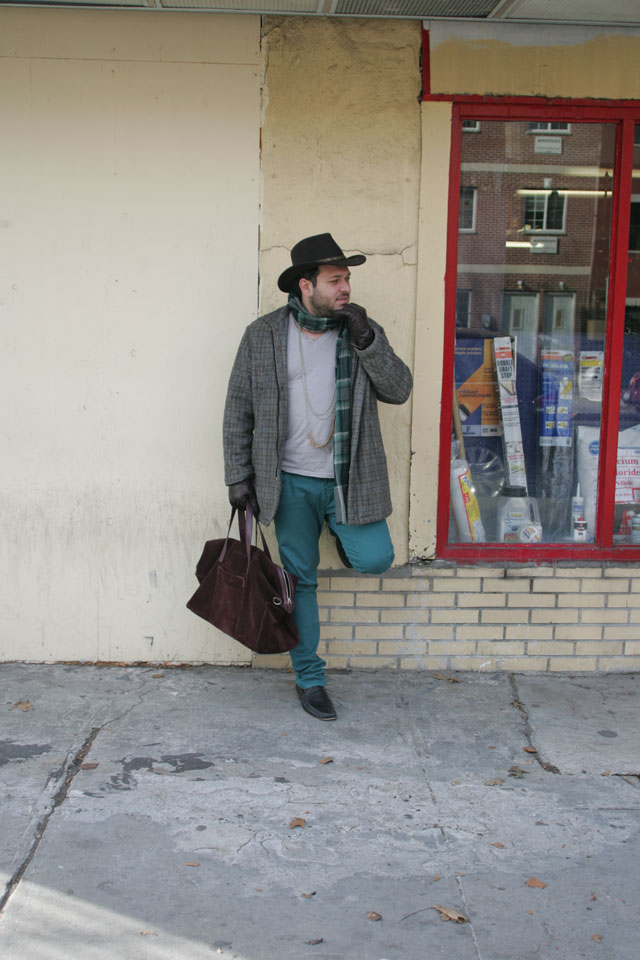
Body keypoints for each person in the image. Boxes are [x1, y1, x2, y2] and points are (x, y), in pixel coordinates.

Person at [223, 233, 412, 720]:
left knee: (374, 558)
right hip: (288, 483)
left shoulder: (361, 330)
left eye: (347, 278)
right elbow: (238, 409)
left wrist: (367, 341)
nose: (345, 287)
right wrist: (237, 476)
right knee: (299, 581)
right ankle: (310, 679)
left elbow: (399, 389)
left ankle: (340, 532)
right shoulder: (262, 335)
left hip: (349, 479)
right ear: (306, 285)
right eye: (336, 279)